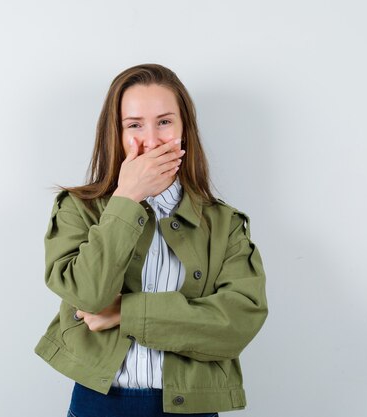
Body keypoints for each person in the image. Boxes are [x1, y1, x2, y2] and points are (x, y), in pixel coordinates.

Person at [34, 63, 268, 417]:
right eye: (134, 125)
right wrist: (126, 198)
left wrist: (124, 312)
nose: (152, 139)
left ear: (184, 129)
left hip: (191, 407)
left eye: (164, 121)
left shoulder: (225, 224)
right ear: (116, 133)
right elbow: (86, 296)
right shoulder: (78, 209)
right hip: (99, 405)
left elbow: (236, 324)